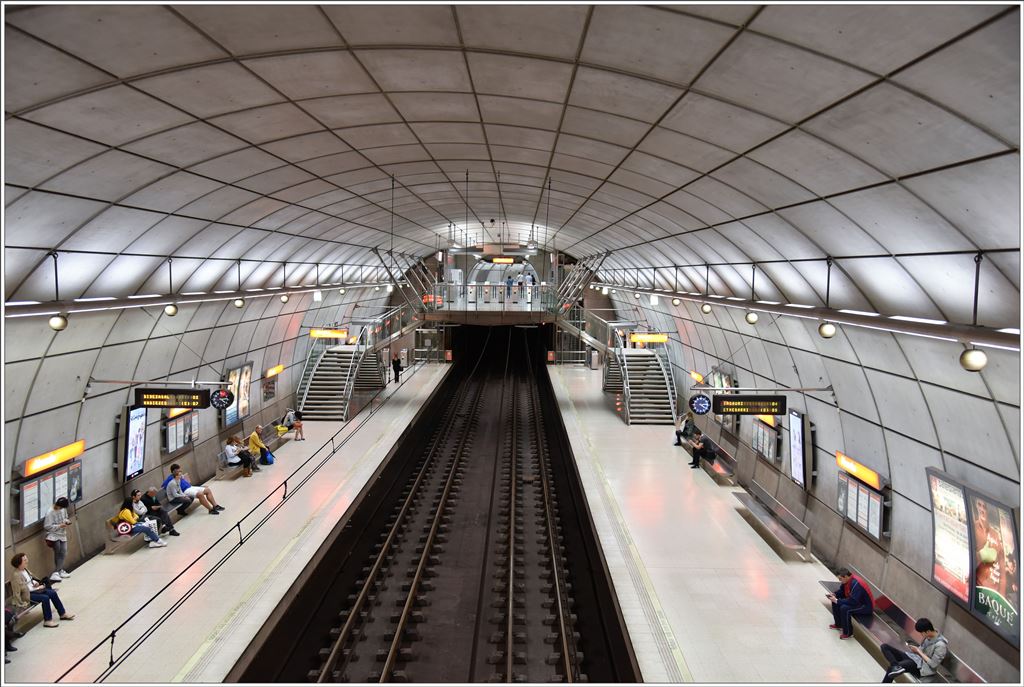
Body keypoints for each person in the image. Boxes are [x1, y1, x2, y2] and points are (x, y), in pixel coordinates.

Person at [8, 553, 75, 628]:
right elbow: (19, 591)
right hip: (27, 595)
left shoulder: (25, 570)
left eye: (26, 559)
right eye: (25, 560)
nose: (27, 561)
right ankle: (47, 621)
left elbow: (30, 580)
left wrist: (36, 583)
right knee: (45, 598)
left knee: (52, 593)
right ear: (19, 563)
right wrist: (36, 588)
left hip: (34, 590)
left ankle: (63, 614)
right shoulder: (16, 575)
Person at [880, 618, 949, 682]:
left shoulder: (941, 645)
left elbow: (933, 665)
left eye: (921, 633)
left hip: (922, 667)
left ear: (927, 631)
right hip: (914, 658)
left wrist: (919, 651)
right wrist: (916, 649)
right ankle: (896, 666)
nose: (921, 634)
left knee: (891, 669)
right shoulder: (929, 635)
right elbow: (921, 649)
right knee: (884, 647)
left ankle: (895, 668)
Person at [826, 567, 874, 639]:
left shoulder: (856, 584)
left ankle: (848, 633)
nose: (840, 581)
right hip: (857, 602)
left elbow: (853, 601)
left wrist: (837, 600)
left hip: (866, 606)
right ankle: (839, 625)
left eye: (840, 579)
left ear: (845, 576)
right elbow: (842, 591)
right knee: (835, 601)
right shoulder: (847, 581)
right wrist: (834, 595)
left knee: (845, 608)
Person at [43, 497, 72, 581]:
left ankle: (59, 570)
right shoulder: (50, 513)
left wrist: (67, 521)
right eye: (61, 507)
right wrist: (59, 526)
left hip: (62, 533)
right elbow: (47, 526)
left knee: (64, 551)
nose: (62, 509)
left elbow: (65, 517)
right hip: (53, 535)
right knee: (58, 551)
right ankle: (56, 572)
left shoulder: (63, 509)